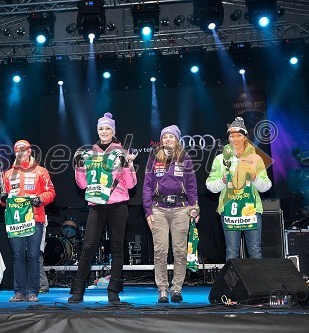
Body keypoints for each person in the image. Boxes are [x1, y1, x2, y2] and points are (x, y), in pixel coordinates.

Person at [68, 112, 137, 304]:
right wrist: (79, 168)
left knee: (117, 248)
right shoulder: (89, 153)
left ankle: (113, 291)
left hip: (118, 205)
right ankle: (78, 292)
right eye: (101, 128)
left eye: (107, 128)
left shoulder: (121, 152)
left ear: (113, 131)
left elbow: (131, 185)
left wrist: (129, 165)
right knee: (88, 247)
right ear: (97, 131)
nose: (104, 131)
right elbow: (82, 185)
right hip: (96, 205)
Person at [142, 125, 199, 303]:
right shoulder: (153, 159)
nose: (168, 140)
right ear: (161, 140)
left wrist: (194, 207)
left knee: (180, 251)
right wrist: (148, 210)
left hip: (181, 208)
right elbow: (147, 186)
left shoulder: (185, 158)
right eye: (165, 137)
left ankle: (176, 288)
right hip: (158, 208)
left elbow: (191, 185)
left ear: (177, 140)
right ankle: (162, 289)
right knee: (160, 251)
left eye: (171, 137)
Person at [206, 117, 272, 262]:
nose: (235, 139)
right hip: (229, 209)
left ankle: (257, 285)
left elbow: (267, 186)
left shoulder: (256, 158)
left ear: (245, 137)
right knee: (231, 252)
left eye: (238, 135)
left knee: (255, 250)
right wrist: (222, 182)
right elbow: (210, 186)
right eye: (231, 135)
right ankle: (231, 285)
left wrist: (255, 179)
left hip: (252, 209)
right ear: (228, 138)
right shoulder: (220, 159)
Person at [0, 140, 56, 302]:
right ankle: (19, 292)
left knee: (32, 255)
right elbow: (5, 200)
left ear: (30, 151)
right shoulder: (8, 174)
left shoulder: (41, 171)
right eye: (17, 151)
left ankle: (32, 291)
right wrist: (2, 199)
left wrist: (40, 199)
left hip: (35, 218)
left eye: (23, 150)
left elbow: (51, 192)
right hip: (16, 221)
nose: (20, 153)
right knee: (17, 256)